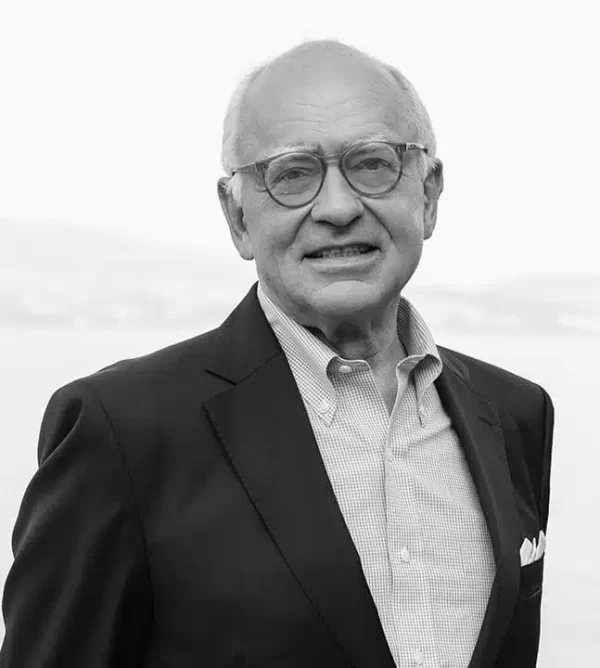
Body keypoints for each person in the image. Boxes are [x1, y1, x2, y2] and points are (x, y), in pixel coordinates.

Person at [0, 40, 554, 668]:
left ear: (428, 195)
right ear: (237, 216)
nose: (339, 207)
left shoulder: (515, 414)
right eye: (292, 174)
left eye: (373, 164)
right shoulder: (122, 432)